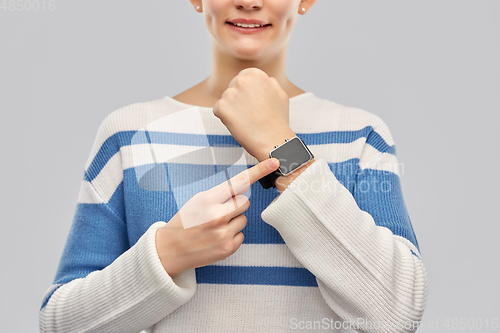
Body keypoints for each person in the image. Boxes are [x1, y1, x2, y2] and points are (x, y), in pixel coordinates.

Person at [39, 0, 428, 332]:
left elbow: (397, 312)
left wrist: (281, 143)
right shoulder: (129, 133)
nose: (249, 0)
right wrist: (166, 254)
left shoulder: (360, 136)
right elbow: (62, 322)